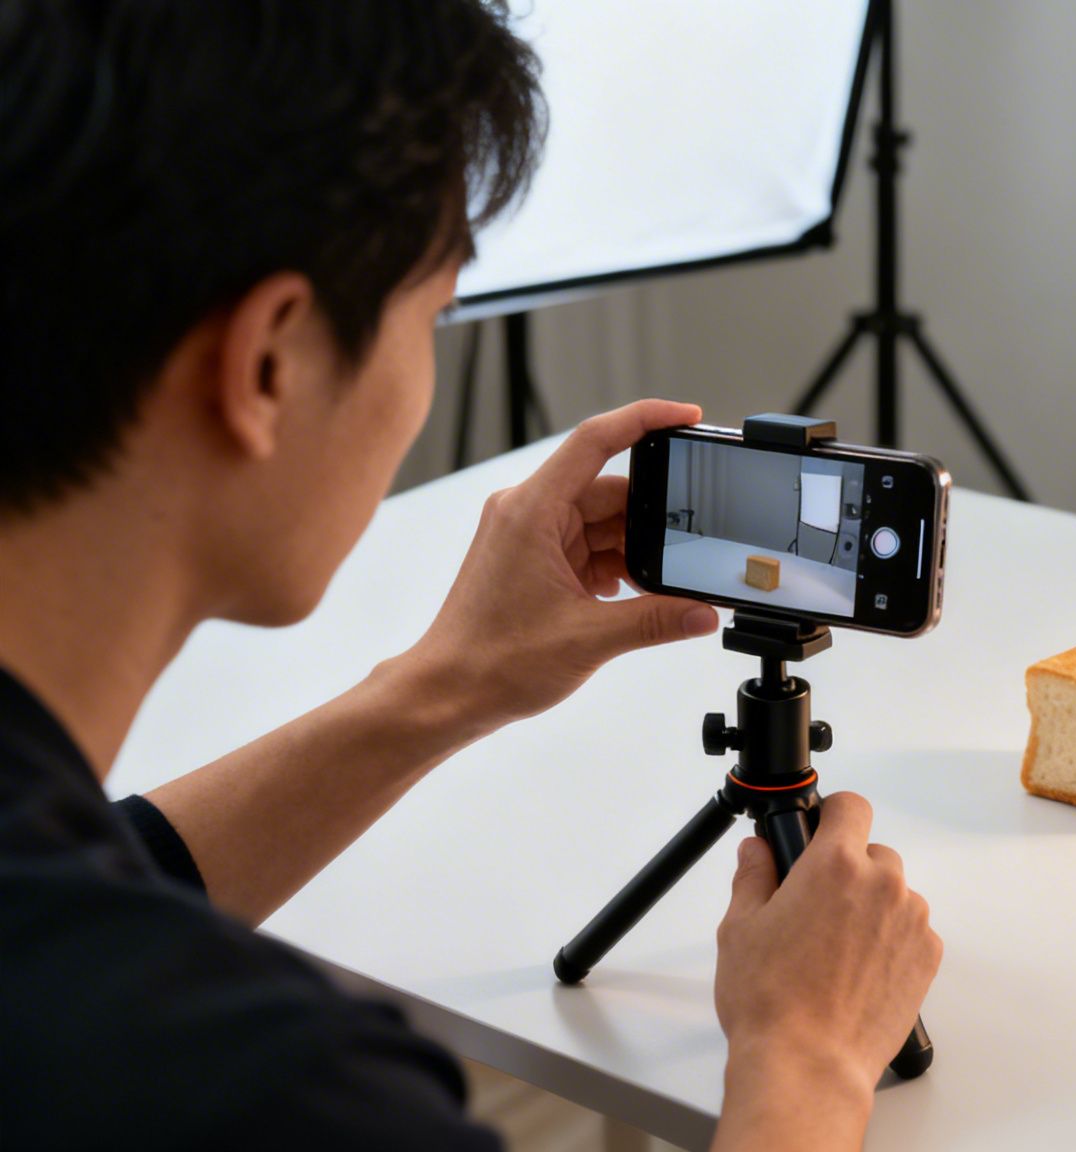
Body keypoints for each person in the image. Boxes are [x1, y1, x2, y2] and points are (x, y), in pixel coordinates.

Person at [0, 2, 941, 1148]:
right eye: (434, 315)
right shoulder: (282, 1093)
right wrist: (804, 1060)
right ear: (267, 361)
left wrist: (450, 680)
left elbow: (87, 871)